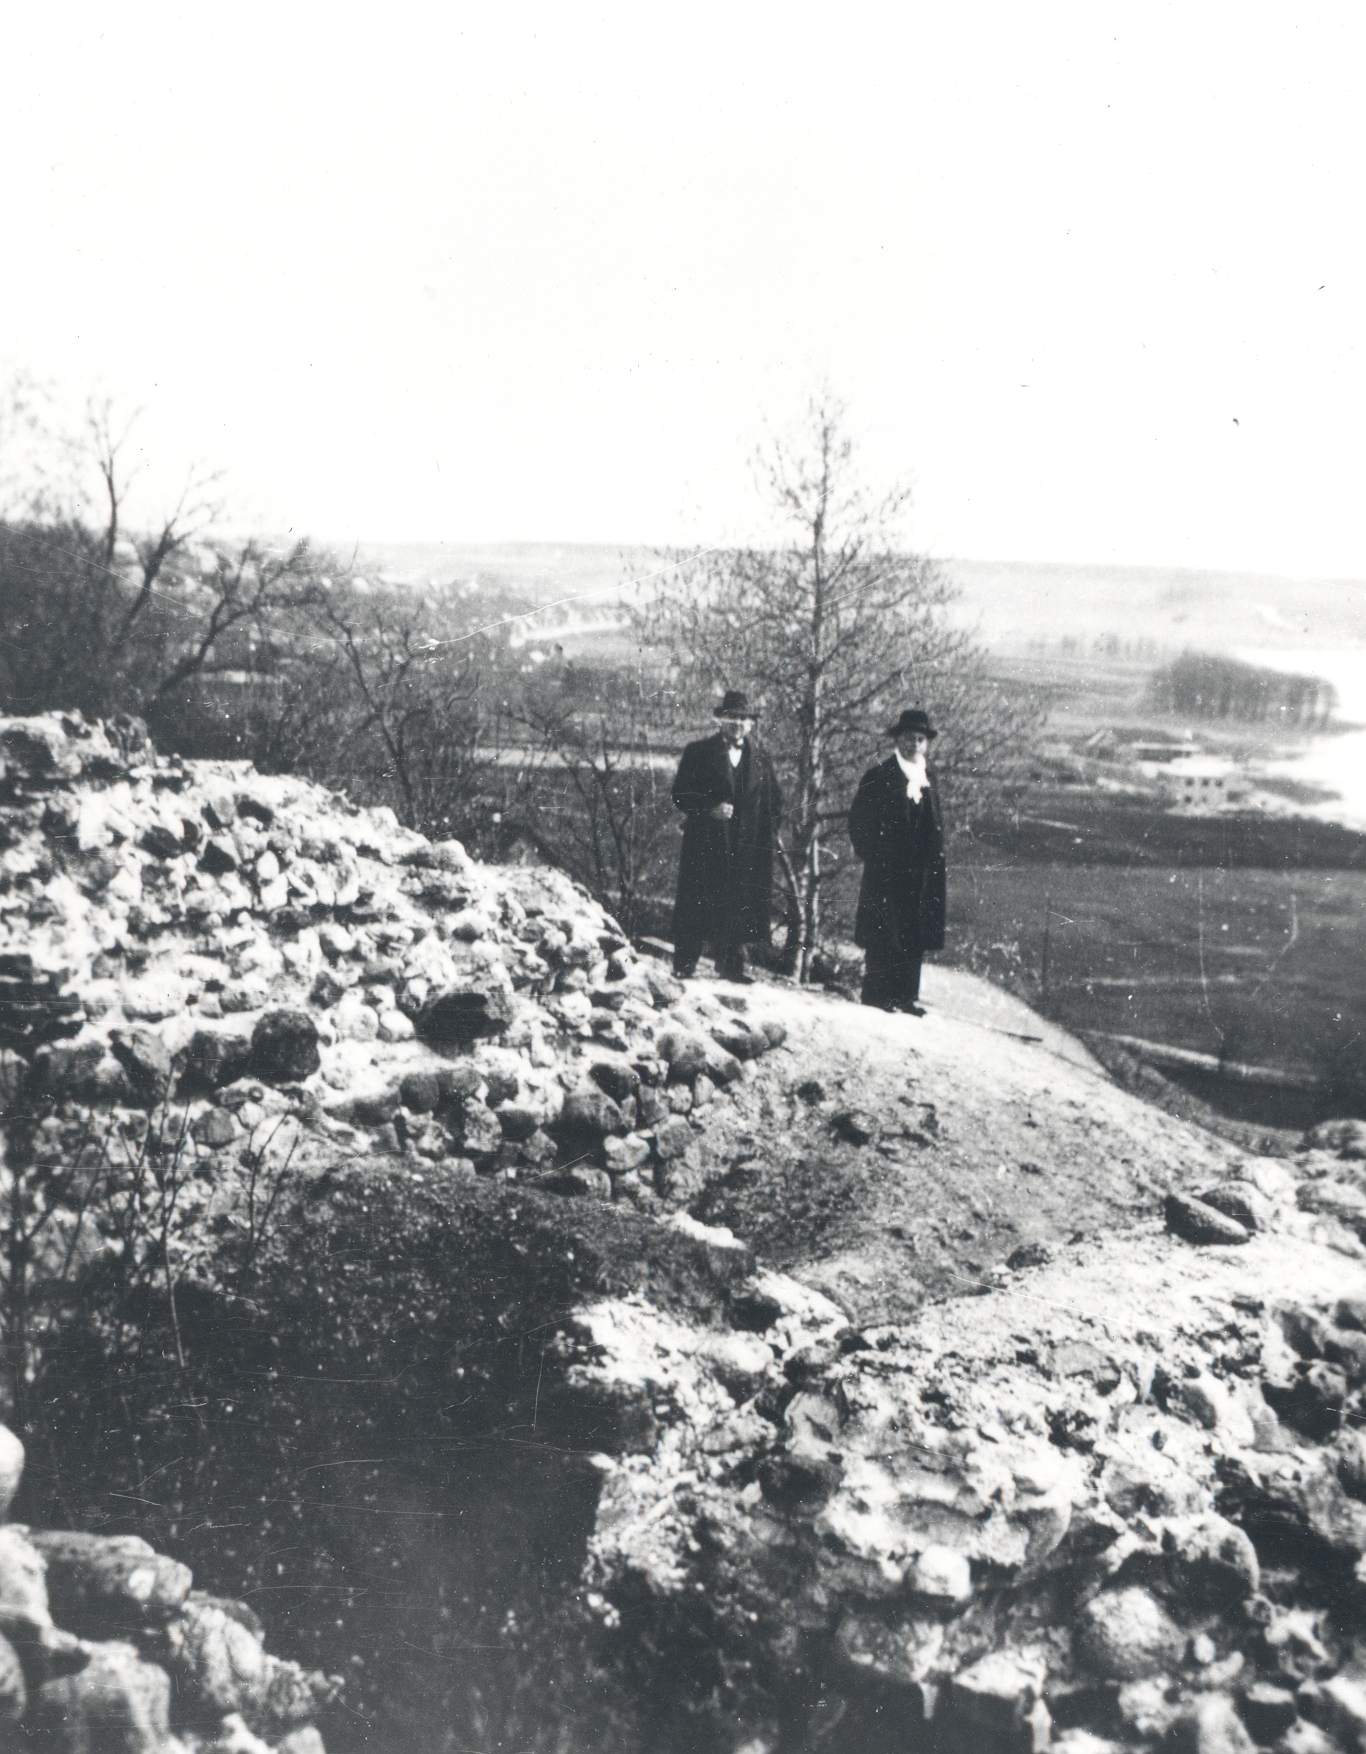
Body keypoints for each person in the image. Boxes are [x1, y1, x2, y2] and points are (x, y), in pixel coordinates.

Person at [670, 690, 782, 983]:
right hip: (706, 843)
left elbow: (775, 801)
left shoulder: (762, 758)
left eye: (744, 719)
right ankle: (684, 964)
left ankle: (732, 967)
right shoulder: (698, 752)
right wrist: (709, 809)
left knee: (738, 901)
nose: (738, 724)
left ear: (752, 724)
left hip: (745, 847)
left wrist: (764, 833)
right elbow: (680, 794)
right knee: (696, 901)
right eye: (732, 717)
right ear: (720, 719)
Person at [848, 707, 946, 1014]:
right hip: (887, 873)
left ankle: (906, 997)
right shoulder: (879, 776)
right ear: (897, 740)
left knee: (913, 932)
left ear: (926, 744)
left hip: (920, 875)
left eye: (919, 739)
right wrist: (875, 856)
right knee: (883, 932)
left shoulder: (929, 778)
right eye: (908, 738)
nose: (913, 744)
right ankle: (877, 996)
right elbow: (858, 823)